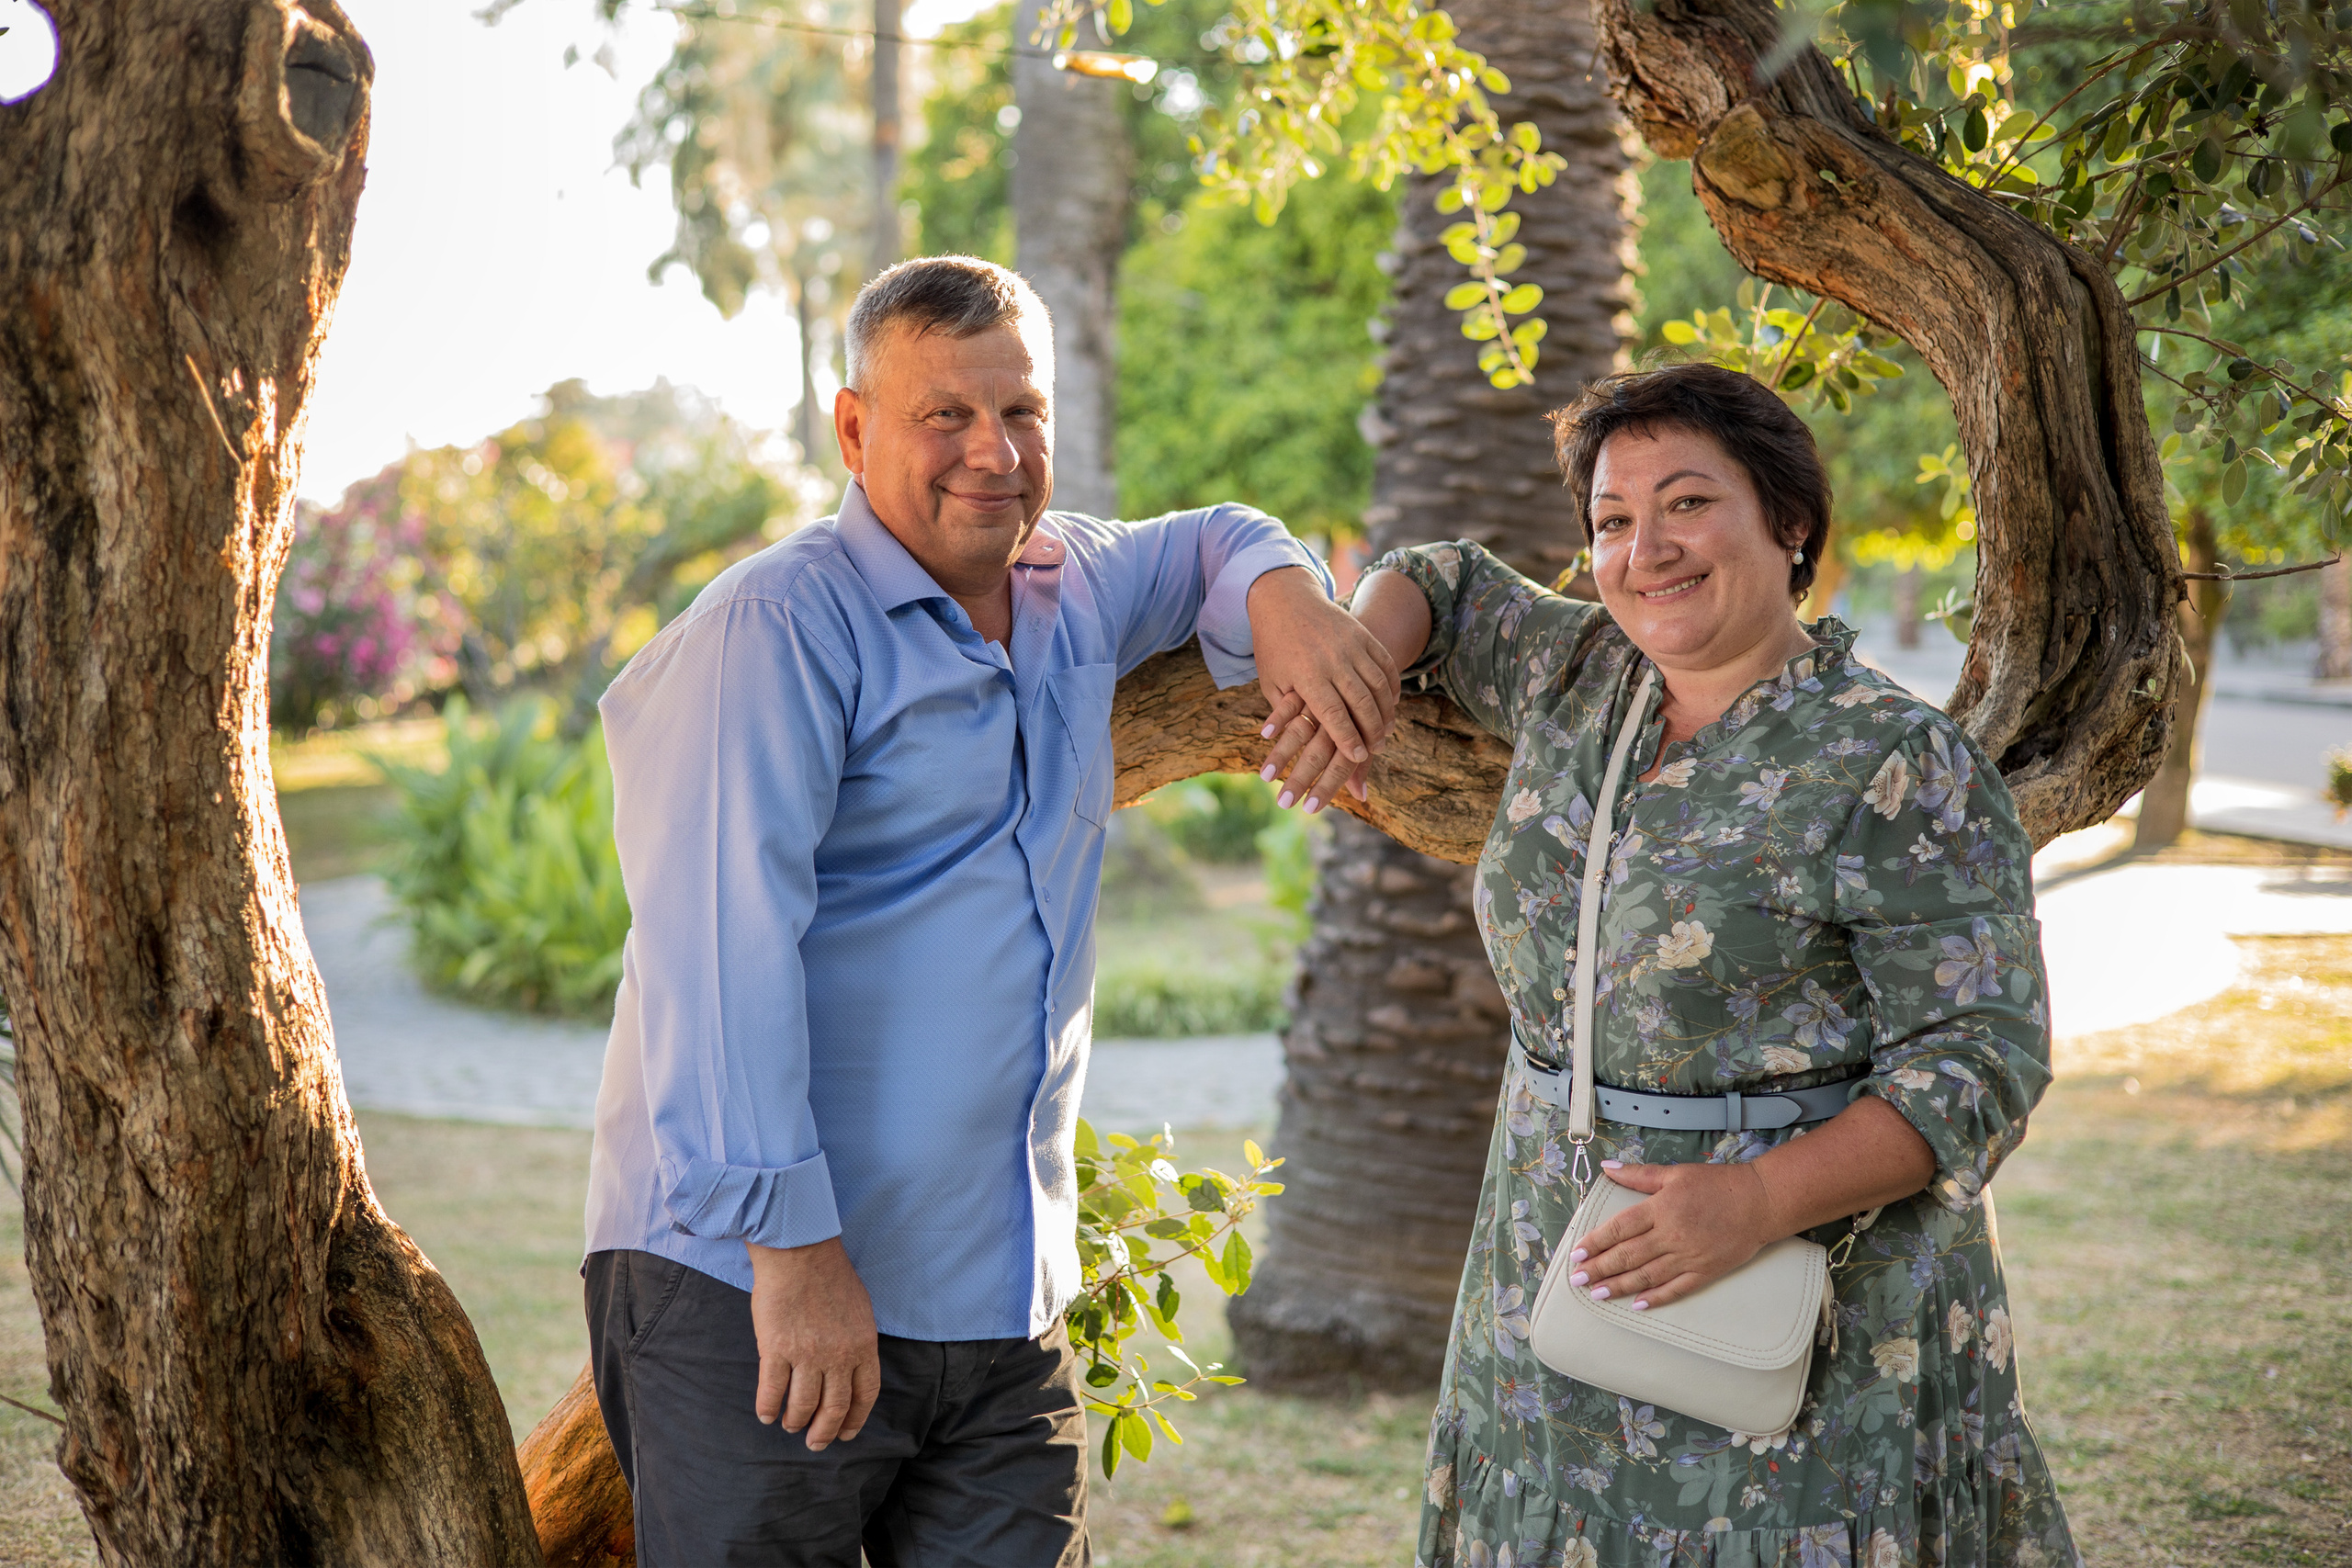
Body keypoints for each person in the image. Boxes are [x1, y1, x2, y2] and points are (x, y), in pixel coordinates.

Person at [581, 255, 1401, 1567]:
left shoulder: (1073, 586)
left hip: (999, 1307)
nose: (994, 452)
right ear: (854, 430)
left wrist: (1290, 600)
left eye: (1022, 412)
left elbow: (1217, 536)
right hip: (759, 1285)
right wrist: (797, 1262)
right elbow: (716, 962)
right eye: (945, 415)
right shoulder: (774, 629)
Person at [1265, 363, 2079, 1566]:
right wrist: (1355, 670)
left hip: (1805, 1294)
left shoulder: (1897, 760)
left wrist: (1755, 1202)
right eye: (1612, 520)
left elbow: (1983, 1060)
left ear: (1788, 521)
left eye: (1689, 503)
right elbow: (1440, 579)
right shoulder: (1578, 673)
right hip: (1553, 1260)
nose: (1647, 550)